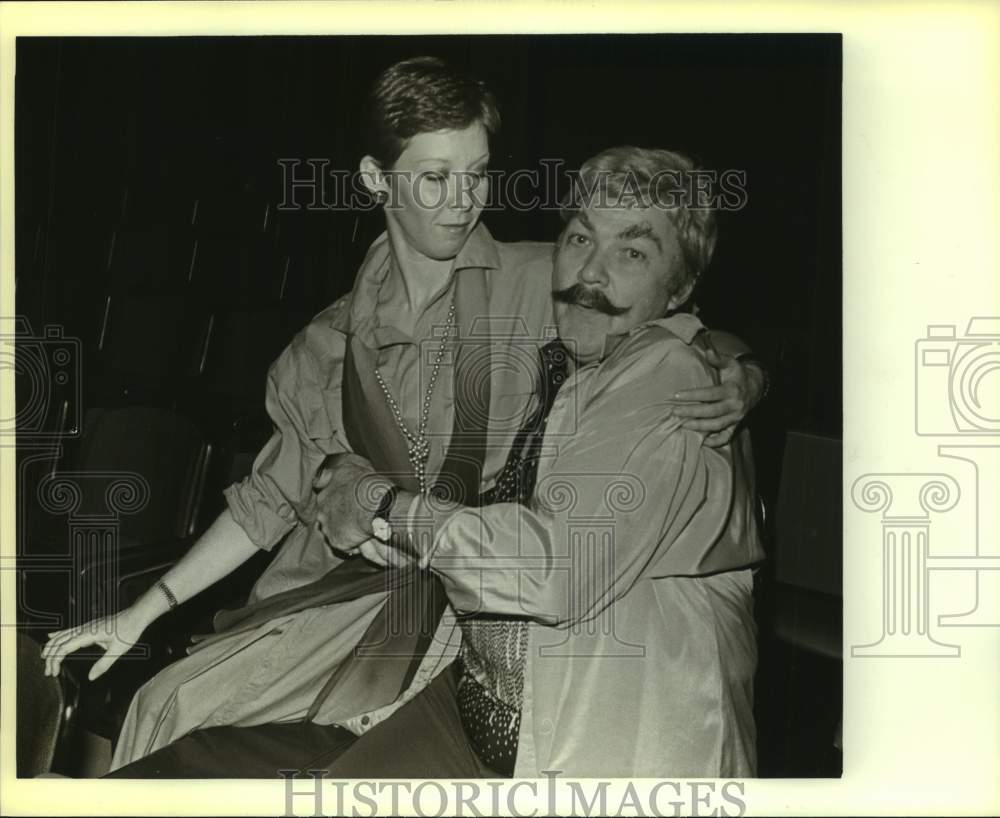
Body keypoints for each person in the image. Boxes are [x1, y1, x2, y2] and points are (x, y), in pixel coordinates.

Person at [41, 57, 763, 775]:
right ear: (375, 181)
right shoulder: (329, 342)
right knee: (167, 705)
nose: (463, 201)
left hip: (474, 593)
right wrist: (142, 612)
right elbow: (269, 499)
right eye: (435, 178)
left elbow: (661, 313)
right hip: (354, 589)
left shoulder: (538, 278)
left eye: (478, 174)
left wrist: (748, 373)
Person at [308, 145, 765, 777]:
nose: (592, 273)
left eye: (632, 252)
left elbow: (552, 568)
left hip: (608, 750)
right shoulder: (561, 359)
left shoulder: (669, 373)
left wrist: (379, 505)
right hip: (481, 707)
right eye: (580, 237)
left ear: (680, 289)